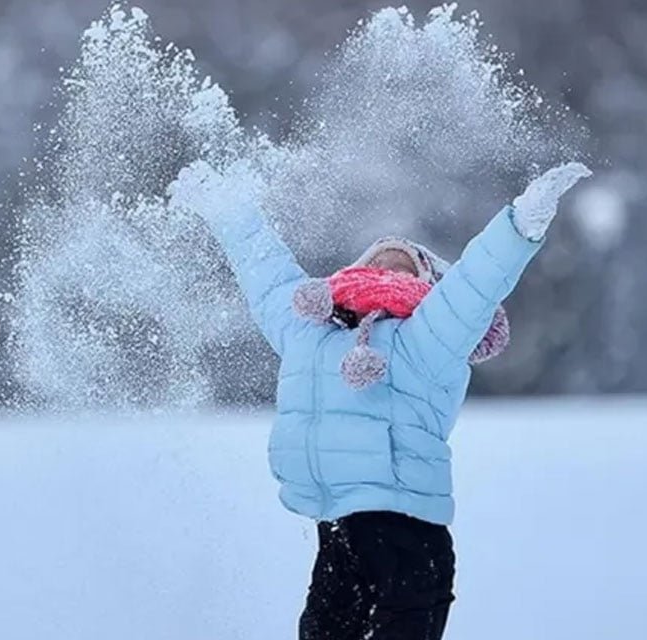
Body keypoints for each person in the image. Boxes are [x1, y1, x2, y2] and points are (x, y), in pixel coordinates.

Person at [168, 159, 590, 640]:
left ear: (429, 286)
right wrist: (228, 209)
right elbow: (265, 272)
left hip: (410, 536)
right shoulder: (308, 330)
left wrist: (519, 225)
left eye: (404, 264)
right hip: (338, 532)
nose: (386, 265)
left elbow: (475, 284)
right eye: (376, 260)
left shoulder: (428, 337)